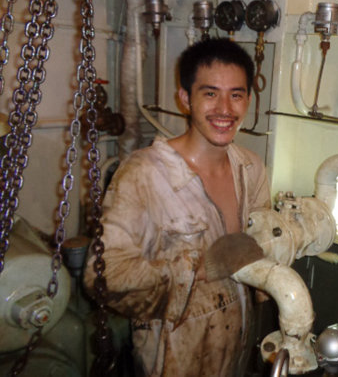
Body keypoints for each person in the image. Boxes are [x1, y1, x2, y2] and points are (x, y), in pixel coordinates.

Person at [84, 38, 271, 376]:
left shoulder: (251, 168)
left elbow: (263, 248)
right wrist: (198, 268)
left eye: (236, 95)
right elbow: (102, 276)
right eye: (210, 93)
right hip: (173, 360)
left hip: (237, 352)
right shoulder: (143, 174)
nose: (225, 109)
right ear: (185, 99)